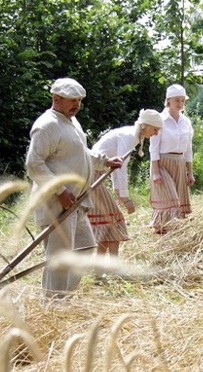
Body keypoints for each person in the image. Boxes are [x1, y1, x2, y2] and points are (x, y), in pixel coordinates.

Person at [25, 77, 123, 299]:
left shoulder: (71, 122)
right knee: (59, 257)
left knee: (85, 249)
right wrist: (60, 191)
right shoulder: (47, 125)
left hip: (76, 202)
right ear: (56, 98)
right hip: (56, 202)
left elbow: (81, 153)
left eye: (79, 100)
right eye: (72, 100)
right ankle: (52, 305)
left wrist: (105, 161)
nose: (77, 105)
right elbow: (34, 164)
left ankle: (62, 297)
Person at [89, 109, 164, 255]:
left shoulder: (133, 136)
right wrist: (125, 198)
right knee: (114, 221)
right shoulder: (130, 136)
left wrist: (119, 192)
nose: (156, 133)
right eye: (155, 129)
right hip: (92, 174)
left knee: (109, 222)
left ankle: (103, 269)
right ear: (146, 126)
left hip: (96, 173)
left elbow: (116, 166)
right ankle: (111, 268)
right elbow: (120, 167)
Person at [149, 84, 195, 234]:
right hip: (163, 163)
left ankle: (175, 232)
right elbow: (154, 148)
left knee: (179, 200)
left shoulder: (186, 122)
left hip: (180, 163)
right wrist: (156, 172)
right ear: (168, 100)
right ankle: (163, 230)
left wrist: (190, 172)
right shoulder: (160, 120)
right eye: (177, 100)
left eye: (182, 100)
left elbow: (188, 149)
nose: (180, 104)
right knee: (170, 200)